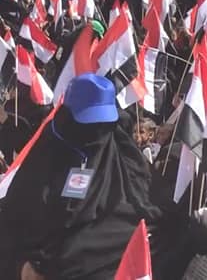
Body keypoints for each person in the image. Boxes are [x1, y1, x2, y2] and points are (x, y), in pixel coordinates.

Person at [0, 73, 158, 279]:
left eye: (102, 124)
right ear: (68, 117)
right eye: (87, 123)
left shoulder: (128, 167)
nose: (95, 131)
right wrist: (21, 267)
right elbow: (14, 225)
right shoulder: (45, 158)